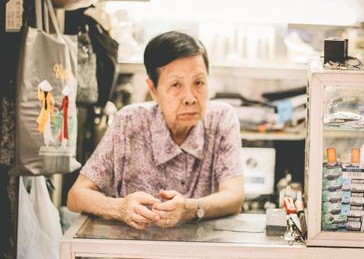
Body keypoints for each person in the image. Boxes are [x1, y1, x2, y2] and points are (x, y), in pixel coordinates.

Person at [67, 31, 244, 229]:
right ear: (153, 90)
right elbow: (76, 196)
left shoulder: (221, 119)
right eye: (176, 85)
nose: (190, 98)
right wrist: (119, 207)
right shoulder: (130, 122)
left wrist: (191, 208)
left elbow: (234, 196)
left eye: (199, 83)